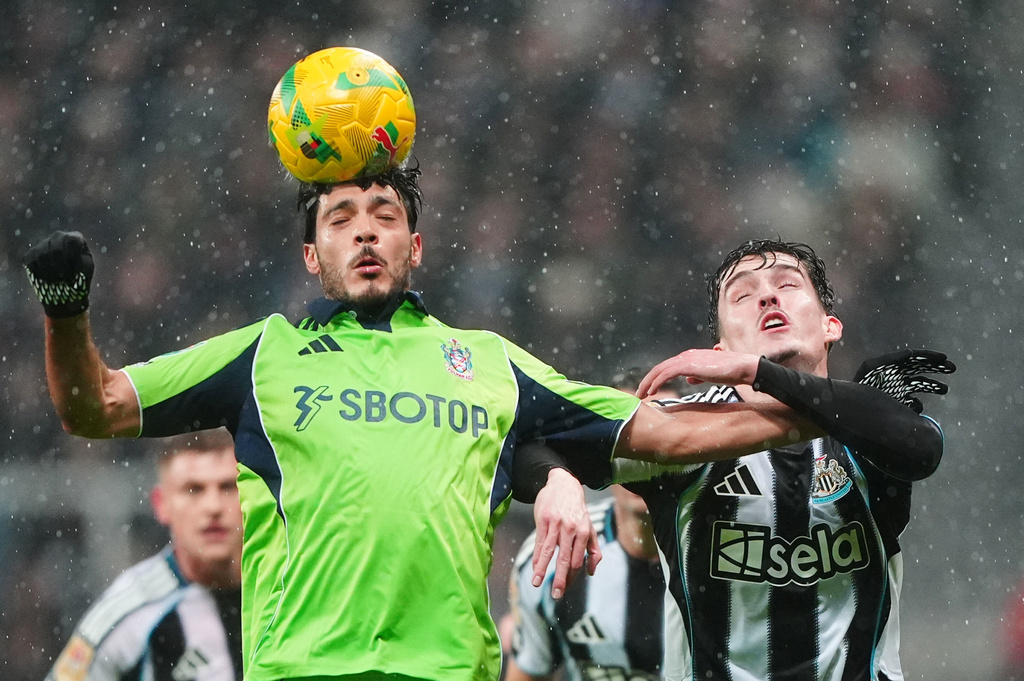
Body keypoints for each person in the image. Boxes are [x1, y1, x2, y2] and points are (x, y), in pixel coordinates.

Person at [23, 169, 825, 681]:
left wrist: (814, 405)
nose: (365, 229)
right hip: (304, 672)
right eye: (340, 218)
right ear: (311, 256)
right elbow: (95, 405)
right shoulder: (261, 356)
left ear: (417, 243)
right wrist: (66, 310)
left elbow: (667, 433)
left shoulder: (489, 362)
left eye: (383, 213)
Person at [593, 239, 952, 681]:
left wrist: (758, 373)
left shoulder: (863, 429)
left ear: (830, 326)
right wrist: (557, 482)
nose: (767, 296)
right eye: (742, 295)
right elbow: (550, 432)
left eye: (787, 283)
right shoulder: (682, 433)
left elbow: (923, 450)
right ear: (719, 351)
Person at [505, 370, 677, 681]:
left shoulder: (728, 554)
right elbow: (528, 673)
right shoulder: (553, 552)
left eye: (662, 440)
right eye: (629, 440)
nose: (645, 459)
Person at [46, 428, 243, 681]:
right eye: (193, 490)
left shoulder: (293, 585)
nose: (213, 506)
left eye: (229, 487)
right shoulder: (127, 613)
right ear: (162, 504)